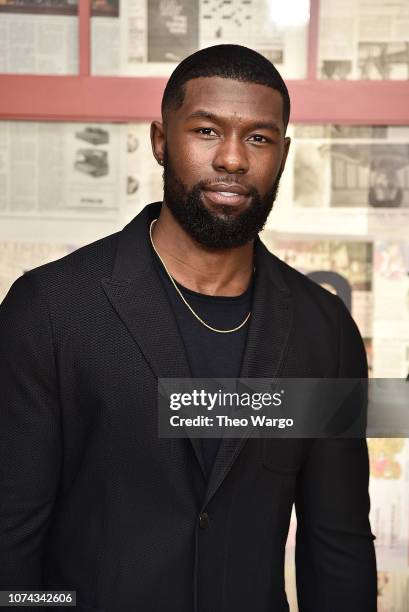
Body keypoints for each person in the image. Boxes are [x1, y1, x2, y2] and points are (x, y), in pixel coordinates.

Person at [0, 44, 377, 612]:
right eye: (206, 131)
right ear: (160, 140)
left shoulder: (324, 331)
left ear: (283, 152)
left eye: (258, 137)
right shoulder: (51, 309)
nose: (231, 159)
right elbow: (11, 544)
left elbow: (338, 546)